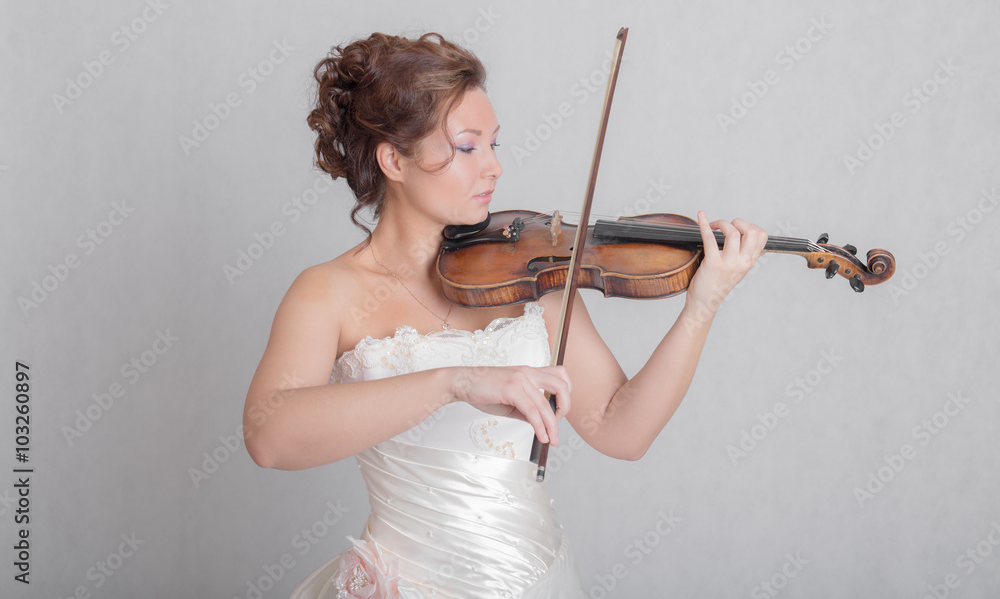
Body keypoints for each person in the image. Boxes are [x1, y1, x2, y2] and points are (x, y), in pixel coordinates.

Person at [243, 32, 767, 598]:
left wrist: (702, 305)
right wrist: (456, 381)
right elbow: (270, 437)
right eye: (468, 148)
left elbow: (623, 430)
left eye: (495, 144)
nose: (493, 168)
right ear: (394, 159)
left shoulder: (528, 276)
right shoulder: (328, 292)